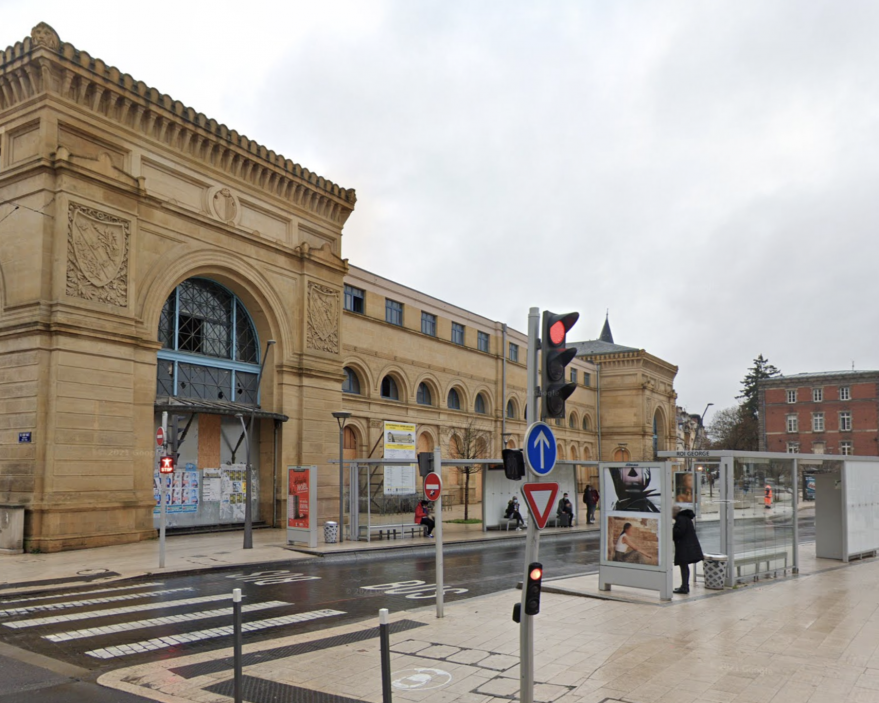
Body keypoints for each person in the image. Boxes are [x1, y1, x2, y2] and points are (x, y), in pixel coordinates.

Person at [672, 506, 703, 594]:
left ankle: (684, 587)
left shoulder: (680, 519)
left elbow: (679, 532)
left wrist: (671, 531)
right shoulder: (685, 518)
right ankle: (684, 586)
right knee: (684, 566)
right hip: (687, 545)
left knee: (683, 566)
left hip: (684, 546)